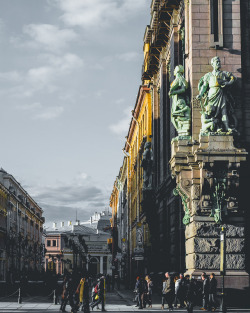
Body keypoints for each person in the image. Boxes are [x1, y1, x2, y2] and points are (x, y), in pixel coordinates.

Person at [197, 56, 237, 133]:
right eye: (217, 62)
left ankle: (227, 127)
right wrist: (200, 94)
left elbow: (233, 78)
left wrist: (228, 83)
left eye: (219, 62)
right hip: (212, 95)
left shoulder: (223, 73)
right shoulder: (208, 75)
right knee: (211, 112)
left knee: (224, 111)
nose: (219, 63)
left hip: (221, 94)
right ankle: (215, 126)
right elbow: (205, 86)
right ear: (212, 64)